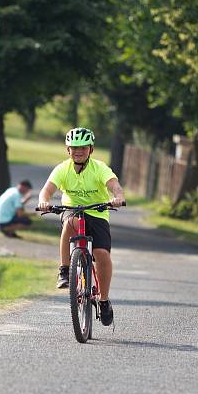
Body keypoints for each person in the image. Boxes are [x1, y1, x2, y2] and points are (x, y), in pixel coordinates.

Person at [37, 127, 125, 326]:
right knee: (71, 222)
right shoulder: (62, 169)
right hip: (72, 210)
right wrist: (44, 201)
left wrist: (118, 197)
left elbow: (114, 186)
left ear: (91, 150)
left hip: (98, 213)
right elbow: (46, 191)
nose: (78, 151)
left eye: (83, 148)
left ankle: (103, 301)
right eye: (74, 148)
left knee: (102, 255)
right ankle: (64, 270)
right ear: (68, 150)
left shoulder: (100, 168)